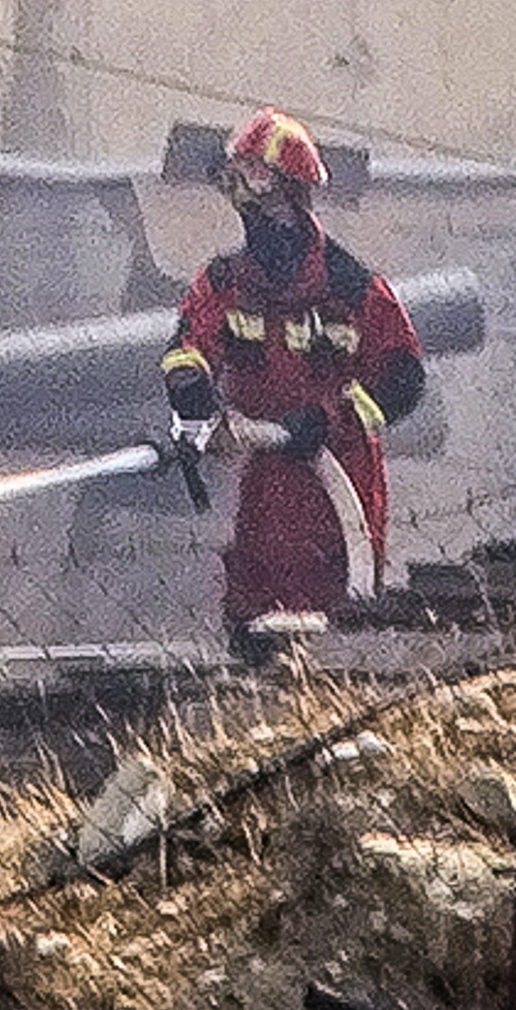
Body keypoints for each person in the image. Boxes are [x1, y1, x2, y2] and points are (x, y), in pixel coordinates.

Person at [155, 110, 426, 662]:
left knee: (331, 636)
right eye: (240, 180)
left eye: (256, 180)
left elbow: (403, 377)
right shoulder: (227, 281)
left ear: (292, 195)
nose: (245, 200)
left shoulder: (352, 287)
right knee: (255, 625)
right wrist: (195, 406)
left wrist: (327, 422)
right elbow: (187, 349)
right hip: (266, 477)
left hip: (339, 484)